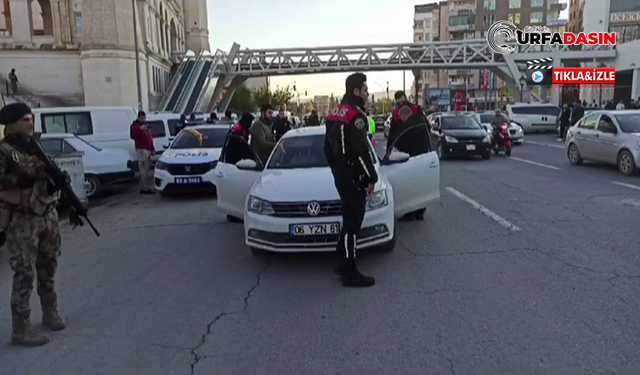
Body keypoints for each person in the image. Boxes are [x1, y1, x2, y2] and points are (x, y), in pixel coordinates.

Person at [0, 102, 76, 346]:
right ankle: (20, 329)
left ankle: (50, 312)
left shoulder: (35, 146)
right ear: (11, 124)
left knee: (48, 267)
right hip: (22, 220)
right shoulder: (4, 151)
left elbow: (46, 179)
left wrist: (56, 181)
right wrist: (29, 176)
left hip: (46, 216)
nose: (31, 123)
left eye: (31, 118)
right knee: (24, 274)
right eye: (25, 119)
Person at [324, 72, 378, 288]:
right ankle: (349, 270)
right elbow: (361, 151)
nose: (367, 94)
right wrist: (371, 177)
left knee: (349, 217)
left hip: (340, 174)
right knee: (353, 222)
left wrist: (335, 169)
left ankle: (342, 262)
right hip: (353, 176)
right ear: (356, 91)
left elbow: (326, 148)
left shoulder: (334, 114)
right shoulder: (355, 116)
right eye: (365, 90)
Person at [129, 111, 155, 195]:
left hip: (147, 150)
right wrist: (140, 130)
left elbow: (149, 138)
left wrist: (152, 148)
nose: (143, 120)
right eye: (141, 118)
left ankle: (143, 186)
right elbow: (133, 136)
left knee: (146, 170)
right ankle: (145, 188)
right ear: (138, 117)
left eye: (144, 118)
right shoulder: (135, 126)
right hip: (141, 150)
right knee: (144, 170)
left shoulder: (145, 125)